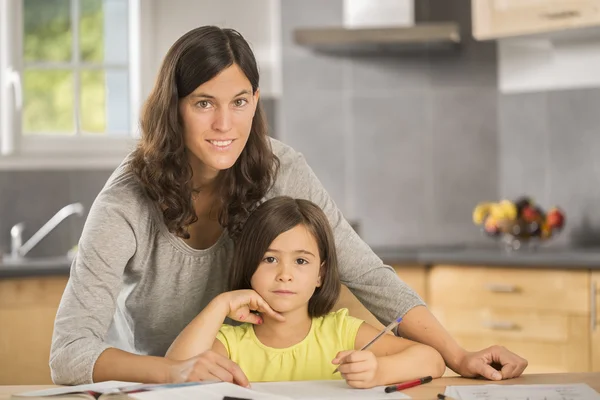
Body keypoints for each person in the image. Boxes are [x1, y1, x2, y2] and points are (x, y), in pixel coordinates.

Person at [49, 25, 528, 387]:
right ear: (172, 107)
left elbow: (367, 273)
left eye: (239, 101)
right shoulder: (125, 201)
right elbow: (68, 352)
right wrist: (174, 371)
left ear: (255, 100)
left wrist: (458, 355)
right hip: (163, 388)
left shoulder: (281, 169)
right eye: (202, 104)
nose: (224, 124)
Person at [165, 196, 446, 387]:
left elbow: (432, 360)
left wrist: (378, 371)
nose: (285, 274)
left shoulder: (342, 333)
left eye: (301, 261)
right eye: (269, 259)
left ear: (320, 274)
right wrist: (220, 304)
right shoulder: (229, 344)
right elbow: (175, 372)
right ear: (248, 265)